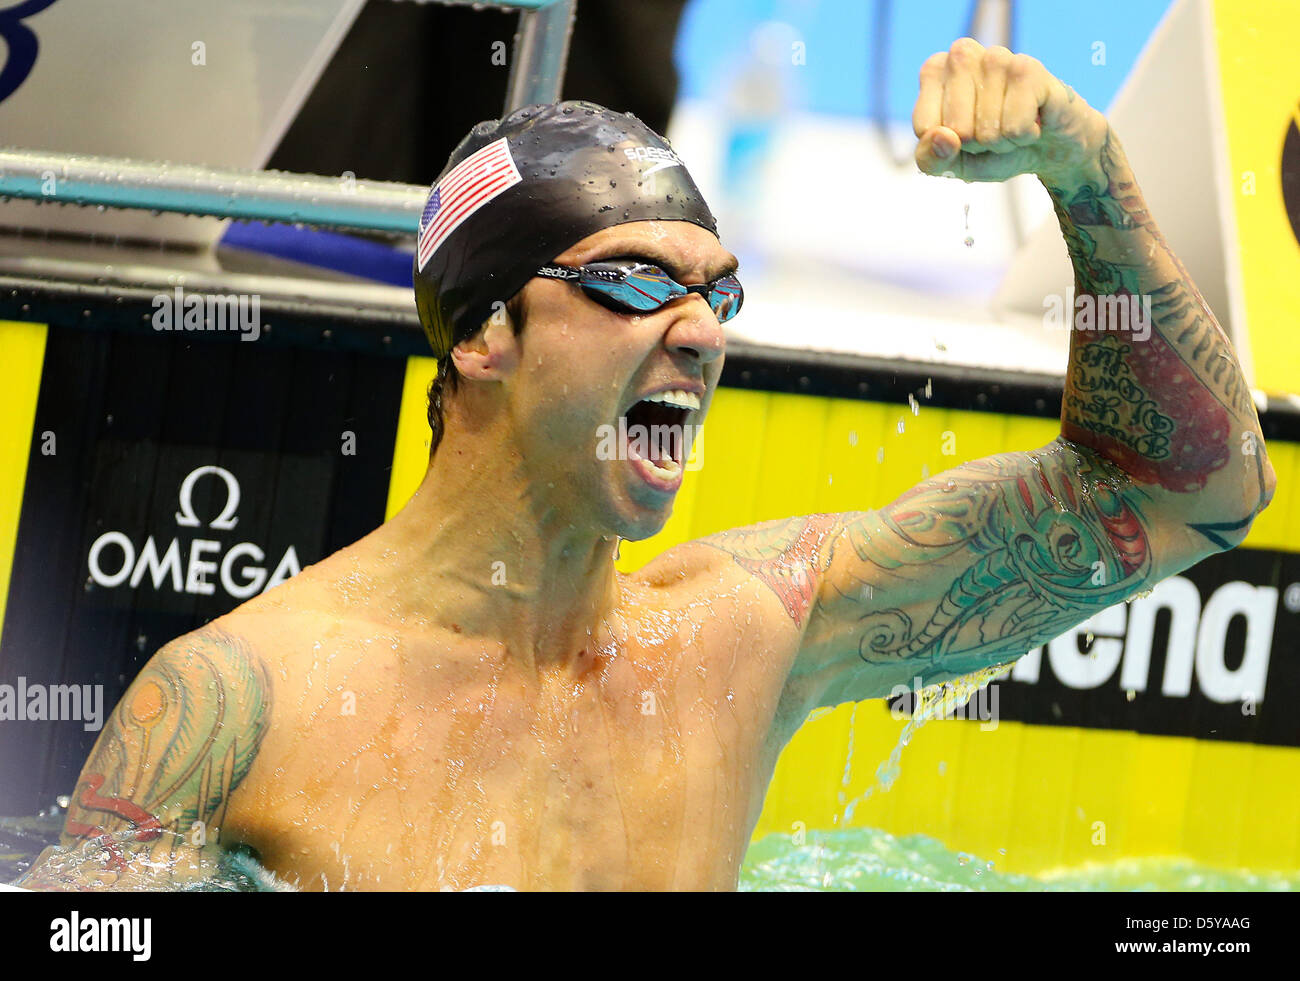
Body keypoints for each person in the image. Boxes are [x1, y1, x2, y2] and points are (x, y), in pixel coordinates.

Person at [20, 40, 1273, 891]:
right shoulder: (236, 708)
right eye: (634, 282)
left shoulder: (747, 636)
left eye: (718, 290)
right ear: (485, 334)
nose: (702, 330)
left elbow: (1183, 493)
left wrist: (1088, 176)